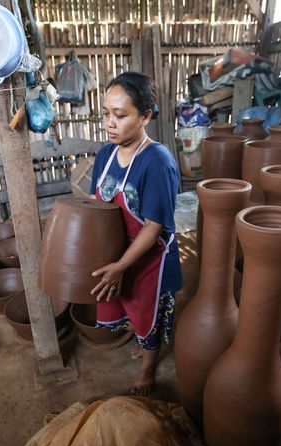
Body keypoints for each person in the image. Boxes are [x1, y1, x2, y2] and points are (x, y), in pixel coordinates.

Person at [89, 72, 182, 396]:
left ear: (146, 115)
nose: (109, 123)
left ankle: (148, 366)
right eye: (105, 113)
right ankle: (143, 344)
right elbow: (96, 205)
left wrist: (122, 266)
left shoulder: (157, 162)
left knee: (148, 315)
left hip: (148, 256)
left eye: (120, 115)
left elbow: (154, 225)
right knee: (125, 306)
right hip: (117, 252)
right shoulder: (105, 155)